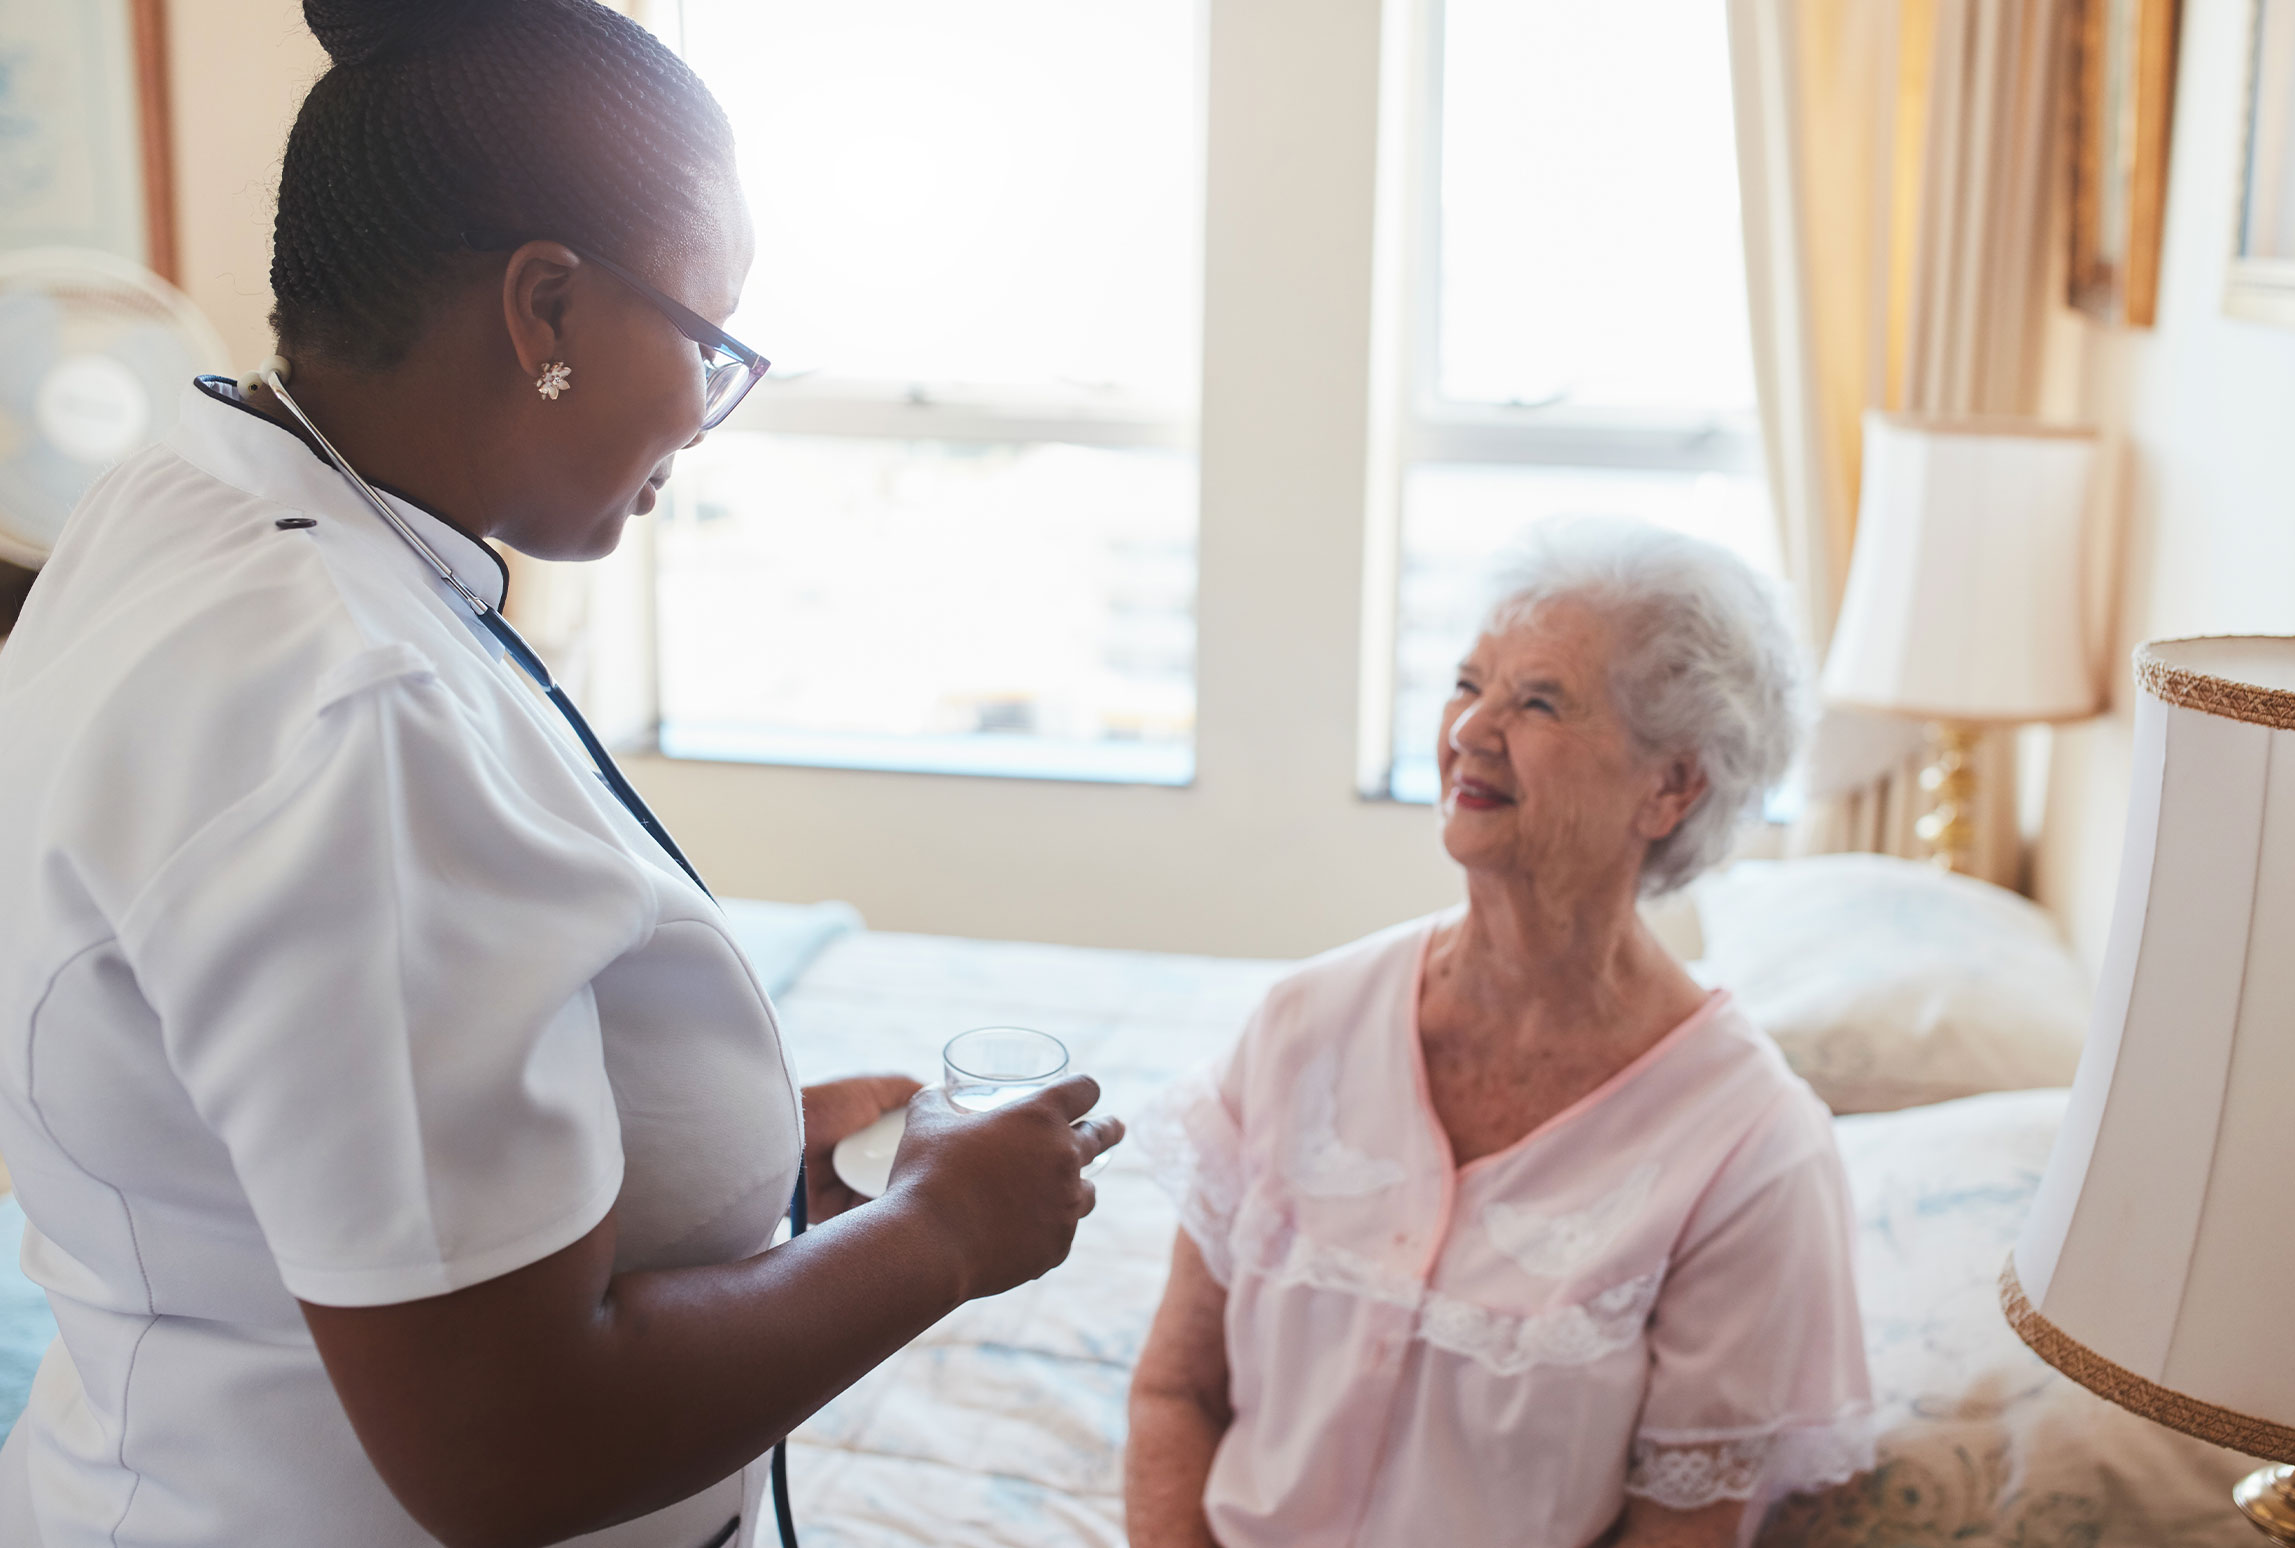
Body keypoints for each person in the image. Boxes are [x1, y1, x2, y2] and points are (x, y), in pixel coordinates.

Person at [0, 2, 1119, 1544]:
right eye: (711, 348)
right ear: (545, 313)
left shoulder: (186, 494)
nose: (707, 421)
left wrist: (736, 1158)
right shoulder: (354, 715)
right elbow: (508, 1449)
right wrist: (939, 1235)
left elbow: (298, 1080)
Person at [1125, 521, 1871, 1548]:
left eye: (1539, 702)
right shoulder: (1306, 1022)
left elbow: (1679, 1534)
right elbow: (1176, 1391)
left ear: (1671, 787)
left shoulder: (1751, 1151)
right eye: (1469, 683)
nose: (1471, 730)